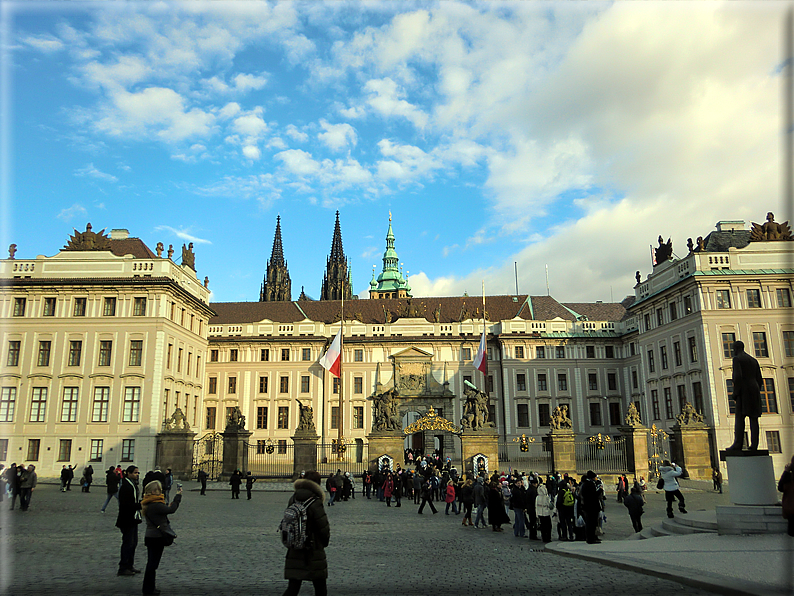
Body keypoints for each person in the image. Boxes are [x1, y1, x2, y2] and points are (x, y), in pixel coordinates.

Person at [281, 470, 330, 596]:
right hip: (312, 548)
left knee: (293, 587)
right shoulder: (315, 502)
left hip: (295, 546)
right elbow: (323, 527)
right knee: (320, 586)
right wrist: (323, 542)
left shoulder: (294, 498)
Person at [141, 479, 182, 595]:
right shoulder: (156, 505)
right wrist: (178, 496)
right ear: (154, 491)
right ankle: (148, 589)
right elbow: (171, 510)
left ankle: (149, 588)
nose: (161, 492)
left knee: (152, 563)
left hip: (150, 536)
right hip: (156, 537)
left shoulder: (149, 503)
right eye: (159, 490)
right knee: (152, 564)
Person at [726, 340, 763, 451]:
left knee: (739, 418)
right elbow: (759, 379)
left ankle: (738, 443)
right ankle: (754, 445)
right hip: (754, 389)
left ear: (736, 349)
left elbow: (737, 377)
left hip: (744, 391)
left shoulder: (737, 359)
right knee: (754, 419)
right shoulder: (753, 360)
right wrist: (756, 390)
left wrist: (735, 393)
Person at [116, 465, 142, 576]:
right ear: (129, 473)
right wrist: (140, 505)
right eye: (135, 472)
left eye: (138, 472)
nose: (137, 474)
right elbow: (126, 504)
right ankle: (123, 567)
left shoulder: (132, 484)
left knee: (133, 543)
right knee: (128, 543)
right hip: (127, 518)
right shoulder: (126, 486)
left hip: (133, 518)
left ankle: (129, 565)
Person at [580, 471, 603, 544]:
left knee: (590, 523)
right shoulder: (590, 484)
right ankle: (591, 538)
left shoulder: (585, 484)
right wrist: (600, 490)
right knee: (592, 523)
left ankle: (591, 537)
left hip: (588, 506)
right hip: (592, 506)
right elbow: (594, 495)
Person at [778, 455, 794, 537]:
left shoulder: (788, 477)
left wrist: (786, 471)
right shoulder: (788, 478)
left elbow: (780, 488)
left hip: (791, 509)